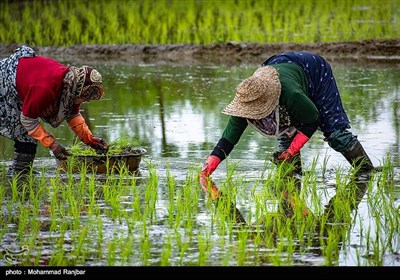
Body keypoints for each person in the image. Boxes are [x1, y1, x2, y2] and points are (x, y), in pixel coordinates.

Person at [199, 51, 374, 199]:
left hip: (314, 72)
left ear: (268, 102)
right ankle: (293, 188)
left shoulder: (291, 95)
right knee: (288, 170)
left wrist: (291, 151)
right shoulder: (247, 98)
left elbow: (312, 119)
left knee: (336, 135)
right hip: (276, 67)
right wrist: (208, 168)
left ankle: (366, 171)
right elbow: (228, 139)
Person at [0, 45, 109, 175]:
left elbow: (73, 115)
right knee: (25, 136)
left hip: (21, 83)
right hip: (6, 82)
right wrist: (53, 145)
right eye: (85, 97)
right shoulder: (46, 89)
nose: (87, 101)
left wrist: (90, 140)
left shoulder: (70, 85)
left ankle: (21, 174)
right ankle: (20, 175)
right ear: (78, 90)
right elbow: (28, 120)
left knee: (27, 138)